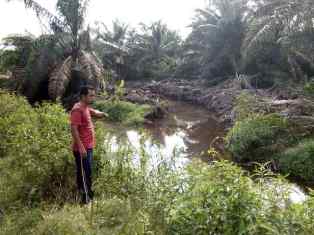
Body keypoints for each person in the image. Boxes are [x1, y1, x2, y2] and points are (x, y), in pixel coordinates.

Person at [70, 86, 107, 204]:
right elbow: (74, 129)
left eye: (93, 95)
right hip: (82, 149)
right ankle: (85, 200)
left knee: (86, 172)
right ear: (83, 96)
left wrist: (102, 114)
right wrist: (81, 147)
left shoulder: (85, 107)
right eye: (91, 95)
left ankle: (87, 196)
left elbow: (93, 112)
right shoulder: (77, 109)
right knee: (85, 174)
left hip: (88, 147)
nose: (93, 97)